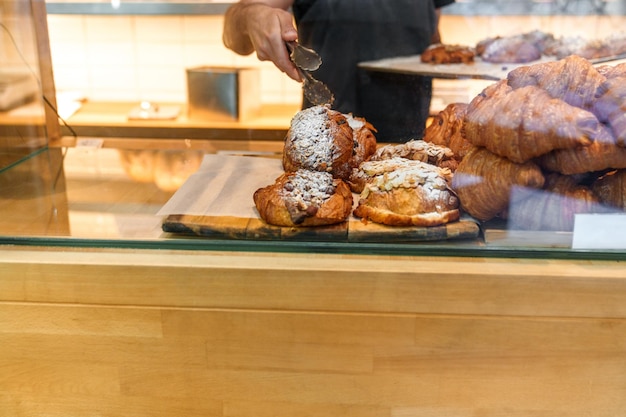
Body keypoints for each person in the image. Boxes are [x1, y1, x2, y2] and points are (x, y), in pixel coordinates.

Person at [223, 0, 456, 142]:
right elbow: (233, 33)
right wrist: (250, 16)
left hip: (408, 147)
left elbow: (431, 40)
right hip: (323, 145)